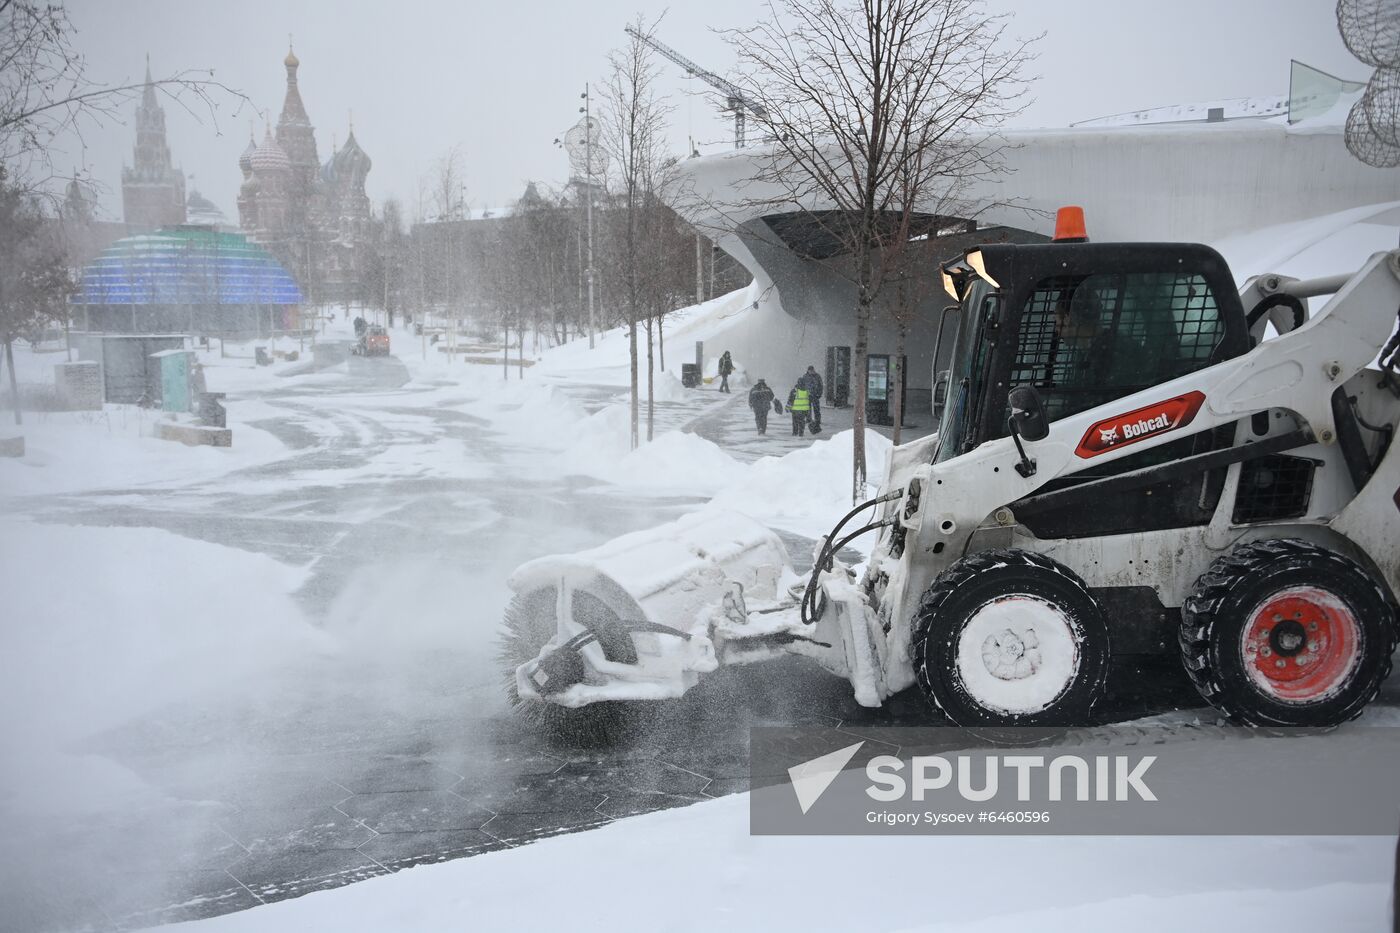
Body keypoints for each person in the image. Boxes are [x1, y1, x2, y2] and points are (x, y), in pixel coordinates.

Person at [798, 365, 824, 432]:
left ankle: (817, 420)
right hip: (808, 395)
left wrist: (819, 394)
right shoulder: (805, 376)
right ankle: (809, 419)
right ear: (808, 370)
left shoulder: (817, 376)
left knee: (816, 409)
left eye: (812, 370)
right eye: (810, 370)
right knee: (808, 409)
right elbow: (802, 386)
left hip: (815, 395)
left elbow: (821, 385)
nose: (811, 371)